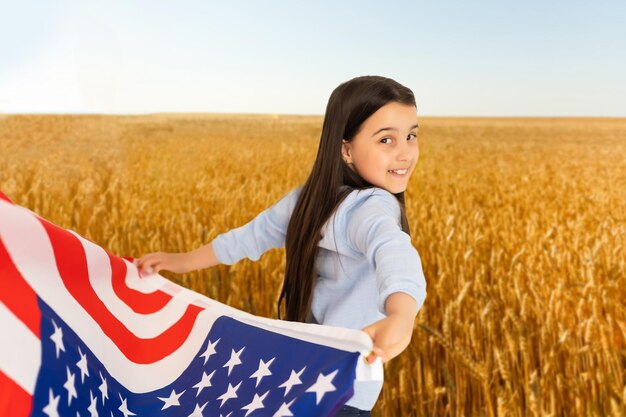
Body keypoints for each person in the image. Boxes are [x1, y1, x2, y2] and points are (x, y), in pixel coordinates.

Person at [136, 75, 427, 416]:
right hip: (348, 385)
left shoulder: (310, 199)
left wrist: (183, 261)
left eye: (411, 135)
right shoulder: (371, 207)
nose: (405, 152)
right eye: (387, 140)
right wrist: (402, 313)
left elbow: (250, 237)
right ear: (346, 149)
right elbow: (395, 251)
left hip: (301, 368)